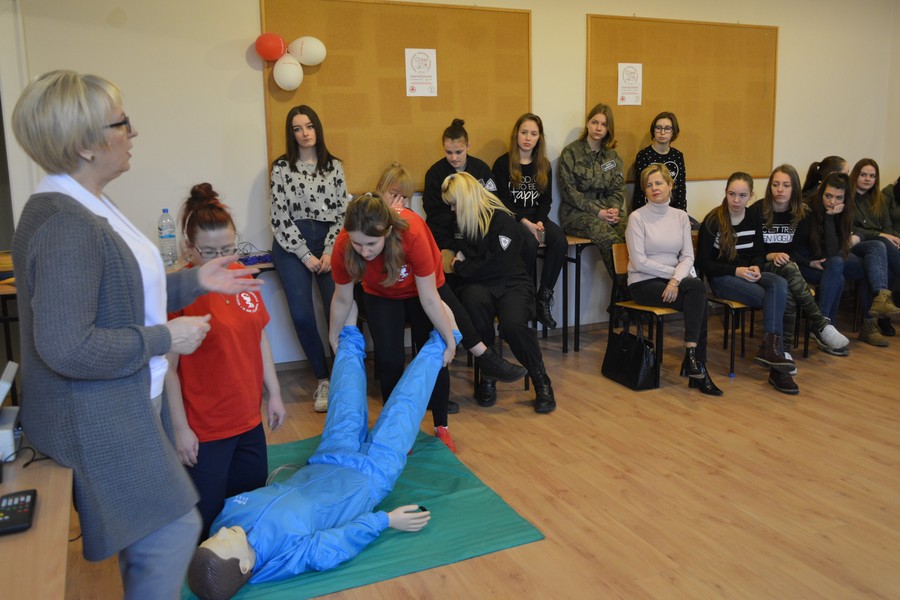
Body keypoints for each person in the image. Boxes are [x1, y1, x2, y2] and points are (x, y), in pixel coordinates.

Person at [10, 70, 263, 599]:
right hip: (95, 415)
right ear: (84, 144)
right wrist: (163, 339)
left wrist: (197, 280)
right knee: (170, 533)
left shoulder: (87, 204)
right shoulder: (65, 223)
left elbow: (123, 296)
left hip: (117, 403)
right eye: (122, 123)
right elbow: (66, 346)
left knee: (160, 534)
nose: (134, 132)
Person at [187, 301, 461, 598]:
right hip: (370, 476)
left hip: (328, 459)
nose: (223, 531)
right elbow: (340, 541)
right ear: (243, 566)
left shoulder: (224, 522)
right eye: (225, 541)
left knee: (344, 395)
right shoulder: (289, 557)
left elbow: (224, 524)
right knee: (405, 404)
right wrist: (388, 520)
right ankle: (446, 341)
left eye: (215, 537)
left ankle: (349, 333)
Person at [330, 193, 525, 451]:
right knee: (389, 360)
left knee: (434, 354)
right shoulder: (345, 244)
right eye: (358, 244)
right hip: (380, 295)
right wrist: (333, 336)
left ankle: (441, 425)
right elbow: (342, 299)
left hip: (420, 291)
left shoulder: (413, 234)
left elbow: (431, 298)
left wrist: (450, 342)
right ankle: (395, 429)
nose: (364, 251)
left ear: (387, 232)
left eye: (371, 244)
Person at [165, 183, 287, 541]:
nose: (222, 259)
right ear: (190, 247)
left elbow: (259, 335)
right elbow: (168, 371)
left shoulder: (242, 276)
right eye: (210, 251)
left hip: (248, 421)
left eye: (228, 249)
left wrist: (275, 393)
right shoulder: (180, 293)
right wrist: (180, 429)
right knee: (204, 525)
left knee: (246, 513)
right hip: (206, 430)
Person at [442, 172, 556, 413]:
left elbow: (497, 264)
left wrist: (463, 267)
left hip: (512, 283)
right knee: (473, 302)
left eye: (454, 203)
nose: (452, 210)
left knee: (513, 325)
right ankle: (489, 374)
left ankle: (541, 380)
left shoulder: (502, 218)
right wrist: (468, 267)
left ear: (466, 198)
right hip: (480, 285)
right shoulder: (460, 223)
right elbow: (472, 260)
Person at [270, 105, 348, 413]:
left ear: (318, 128)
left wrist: (328, 250)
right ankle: (323, 379)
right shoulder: (281, 168)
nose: (305, 133)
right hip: (292, 244)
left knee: (337, 313)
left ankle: (343, 378)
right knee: (302, 315)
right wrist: (305, 255)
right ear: (291, 134)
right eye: (298, 128)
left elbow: (342, 213)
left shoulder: (334, 166)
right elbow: (278, 217)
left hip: (329, 240)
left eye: (309, 126)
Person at [697, 172, 797, 394]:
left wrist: (756, 267)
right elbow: (704, 263)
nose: (736, 200)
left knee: (779, 284)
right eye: (732, 194)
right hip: (722, 278)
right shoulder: (714, 221)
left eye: (742, 195)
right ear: (726, 193)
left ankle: (771, 351)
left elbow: (759, 253)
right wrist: (736, 270)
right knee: (772, 299)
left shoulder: (753, 218)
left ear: (751, 196)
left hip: (748, 274)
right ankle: (777, 363)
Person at [626, 164, 721, 396]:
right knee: (698, 304)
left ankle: (692, 358)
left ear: (670, 185)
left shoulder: (680, 217)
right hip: (643, 282)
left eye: (659, 183)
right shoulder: (637, 218)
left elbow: (688, 256)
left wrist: (675, 281)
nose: (654, 188)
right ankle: (698, 368)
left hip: (673, 281)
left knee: (696, 290)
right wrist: (674, 277)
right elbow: (639, 262)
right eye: (649, 185)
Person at [752, 165, 850, 356]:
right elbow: (751, 250)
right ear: (770, 187)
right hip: (763, 265)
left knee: (797, 282)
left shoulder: (802, 213)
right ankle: (821, 324)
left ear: (794, 188)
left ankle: (785, 351)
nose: (780, 190)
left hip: (790, 266)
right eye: (776, 184)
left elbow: (798, 250)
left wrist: (806, 263)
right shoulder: (757, 210)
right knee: (789, 272)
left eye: (786, 185)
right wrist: (770, 256)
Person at [794, 173, 900, 347]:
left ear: (845, 198)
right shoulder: (808, 210)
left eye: (838, 198)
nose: (833, 202)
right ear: (821, 193)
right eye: (828, 196)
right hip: (809, 262)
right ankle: (824, 325)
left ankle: (871, 319)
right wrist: (829, 217)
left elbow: (837, 248)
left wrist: (856, 234)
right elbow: (829, 251)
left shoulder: (845, 210)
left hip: (832, 259)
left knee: (875, 254)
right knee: (838, 265)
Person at [492, 113, 566, 329]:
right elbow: (502, 202)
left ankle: (543, 297)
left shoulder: (543, 164)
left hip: (537, 219)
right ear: (517, 135)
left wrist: (541, 222)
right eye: (524, 132)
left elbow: (546, 199)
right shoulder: (502, 163)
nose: (528, 138)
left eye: (533, 134)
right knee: (530, 244)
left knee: (559, 241)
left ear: (539, 138)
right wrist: (525, 223)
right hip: (513, 220)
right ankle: (523, 299)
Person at [558, 102, 628, 278]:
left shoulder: (612, 156)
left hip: (607, 209)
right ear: (587, 123)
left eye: (604, 124)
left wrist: (614, 209)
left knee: (632, 232)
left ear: (608, 129)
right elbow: (569, 192)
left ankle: (635, 288)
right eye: (595, 122)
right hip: (576, 213)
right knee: (609, 238)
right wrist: (598, 212)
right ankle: (622, 293)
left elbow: (618, 189)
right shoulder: (571, 152)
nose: (599, 128)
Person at [423, 118, 499, 257]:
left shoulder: (481, 169)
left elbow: (492, 203)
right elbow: (434, 213)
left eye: (459, 152)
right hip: (447, 233)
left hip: (476, 229)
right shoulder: (435, 173)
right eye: (448, 152)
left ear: (468, 146)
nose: (453, 158)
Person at [851, 158, 900, 308]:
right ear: (855, 175)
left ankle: (882, 315)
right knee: (882, 243)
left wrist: (891, 239)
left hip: (879, 247)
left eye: (872, 176)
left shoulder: (880, 198)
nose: (868, 179)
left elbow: (887, 227)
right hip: (856, 243)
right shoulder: (847, 197)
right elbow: (851, 229)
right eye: (863, 175)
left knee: (886, 259)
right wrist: (881, 235)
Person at [631, 112, 687, 213]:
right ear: (653, 131)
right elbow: (640, 191)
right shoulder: (643, 155)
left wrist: (682, 214)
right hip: (649, 210)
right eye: (658, 128)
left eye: (667, 128)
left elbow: (681, 190)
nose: (662, 132)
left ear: (673, 132)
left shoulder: (678, 156)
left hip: (672, 210)